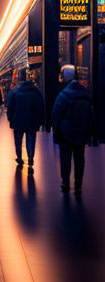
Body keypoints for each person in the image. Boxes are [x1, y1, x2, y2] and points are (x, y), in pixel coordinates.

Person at [51, 65, 94, 195]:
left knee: (65, 158)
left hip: (66, 133)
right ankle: (78, 185)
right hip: (81, 132)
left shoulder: (63, 95)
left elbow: (56, 114)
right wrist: (90, 132)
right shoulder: (86, 95)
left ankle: (65, 182)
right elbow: (91, 115)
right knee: (79, 159)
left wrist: (56, 129)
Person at [6, 74, 44, 171]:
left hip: (18, 120)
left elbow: (10, 107)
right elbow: (41, 108)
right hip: (32, 121)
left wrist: (10, 119)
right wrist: (40, 121)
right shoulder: (36, 93)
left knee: (18, 141)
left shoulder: (15, 92)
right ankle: (30, 158)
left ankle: (19, 157)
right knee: (30, 140)